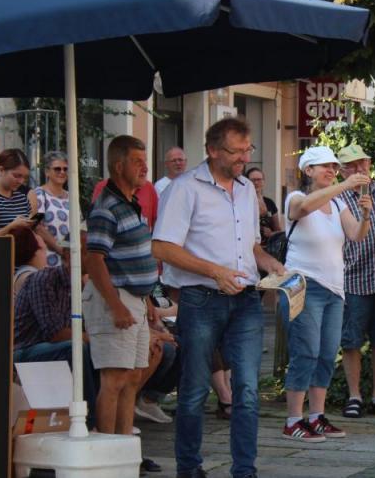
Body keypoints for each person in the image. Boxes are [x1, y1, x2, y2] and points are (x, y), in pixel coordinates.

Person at [152, 118, 283, 478]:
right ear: (212, 150)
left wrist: (272, 263)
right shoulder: (184, 188)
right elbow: (162, 246)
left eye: (247, 150)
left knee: (248, 389)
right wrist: (215, 272)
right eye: (235, 151)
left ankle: (244, 470)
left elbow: (250, 245)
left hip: (245, 301)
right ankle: (189, 468)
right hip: (201, 299)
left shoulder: (244, 189)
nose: (244, 158)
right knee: (194, 391)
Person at [280, 146, 371, 442]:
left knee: (326, 354)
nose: (332, 171)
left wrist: (366, 213)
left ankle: (317, 416)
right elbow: (302, 210)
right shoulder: (296, 197)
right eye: (325, 167)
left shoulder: (339, 203)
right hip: (304, 284)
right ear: (308, 171)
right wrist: (344, 184)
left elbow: (356, 234)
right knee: (305, 351)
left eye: (334, 167)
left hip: (335, 288)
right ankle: (294, 418)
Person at [83, 135, 160, 436]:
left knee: (132, 377)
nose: (145, 168)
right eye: (137, 162)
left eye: (145, 161)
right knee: (114, 379)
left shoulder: (133, 203)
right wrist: (115, 305)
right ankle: (107, 448)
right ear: (118, 166)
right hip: (115, 299)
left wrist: (151, 301)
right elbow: (94, 260)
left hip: (136, 299)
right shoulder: (106, 208)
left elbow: (139, 258)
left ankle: (124, 446)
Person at [11, 227, 98, 427]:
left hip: (48, 346)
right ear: (69, 254)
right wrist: (92, 339)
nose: (93, 258)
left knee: (102, 351)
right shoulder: (44, 279)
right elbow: (55, 333)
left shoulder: (84, 285)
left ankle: (104, 416)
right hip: (25, 350)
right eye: (88, 252)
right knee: (77, 348)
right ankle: (91, 419)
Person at [336, 144, 375, 420]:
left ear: (369, 164)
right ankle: (354, 395)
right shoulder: (338, 196)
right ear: (341, 170)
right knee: (351, 340)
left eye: (362, 164)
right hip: (352, 277)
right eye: (351, 166)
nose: (358, 170)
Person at [34, 151, 70, 267]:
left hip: (70, 259)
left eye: (65, 169)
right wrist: (61, 250)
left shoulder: (72, 197)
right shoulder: (39, 194)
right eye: (57, 169)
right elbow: (38, 227)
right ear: (47, 172)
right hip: (48, 259)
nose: (62, 172)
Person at [245, 167, 281, 243]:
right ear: (246, 181)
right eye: (253, 180)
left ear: (264, 182)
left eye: (259, 180)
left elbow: (278, 230)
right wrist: (261, 229)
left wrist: (271, 234)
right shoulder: (241, 202)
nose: (256, 183)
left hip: (268, 247)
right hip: (249, 246)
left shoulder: (269, 203)